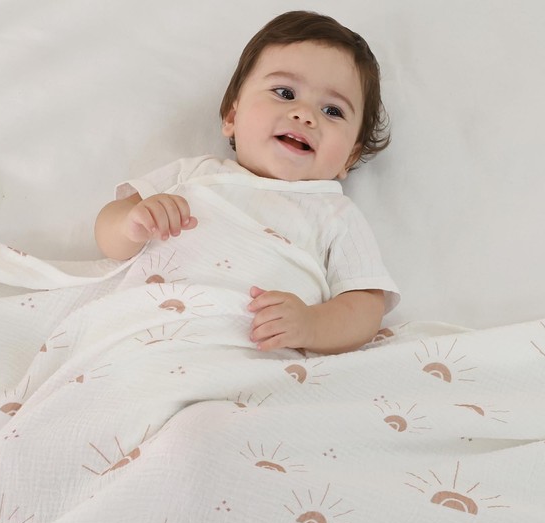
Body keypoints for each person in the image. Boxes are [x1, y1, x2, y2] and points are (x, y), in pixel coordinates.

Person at [94, 10, 399, 355]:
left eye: (332, 111)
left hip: (252, 354)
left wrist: (312, 325)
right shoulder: (194, 173)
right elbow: (108, 237)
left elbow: (365, 305)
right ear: (232, 116)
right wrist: (132, 223)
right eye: (284, 93)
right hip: (144, 332)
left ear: (350, 156)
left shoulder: (335, 214)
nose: (304, 115)